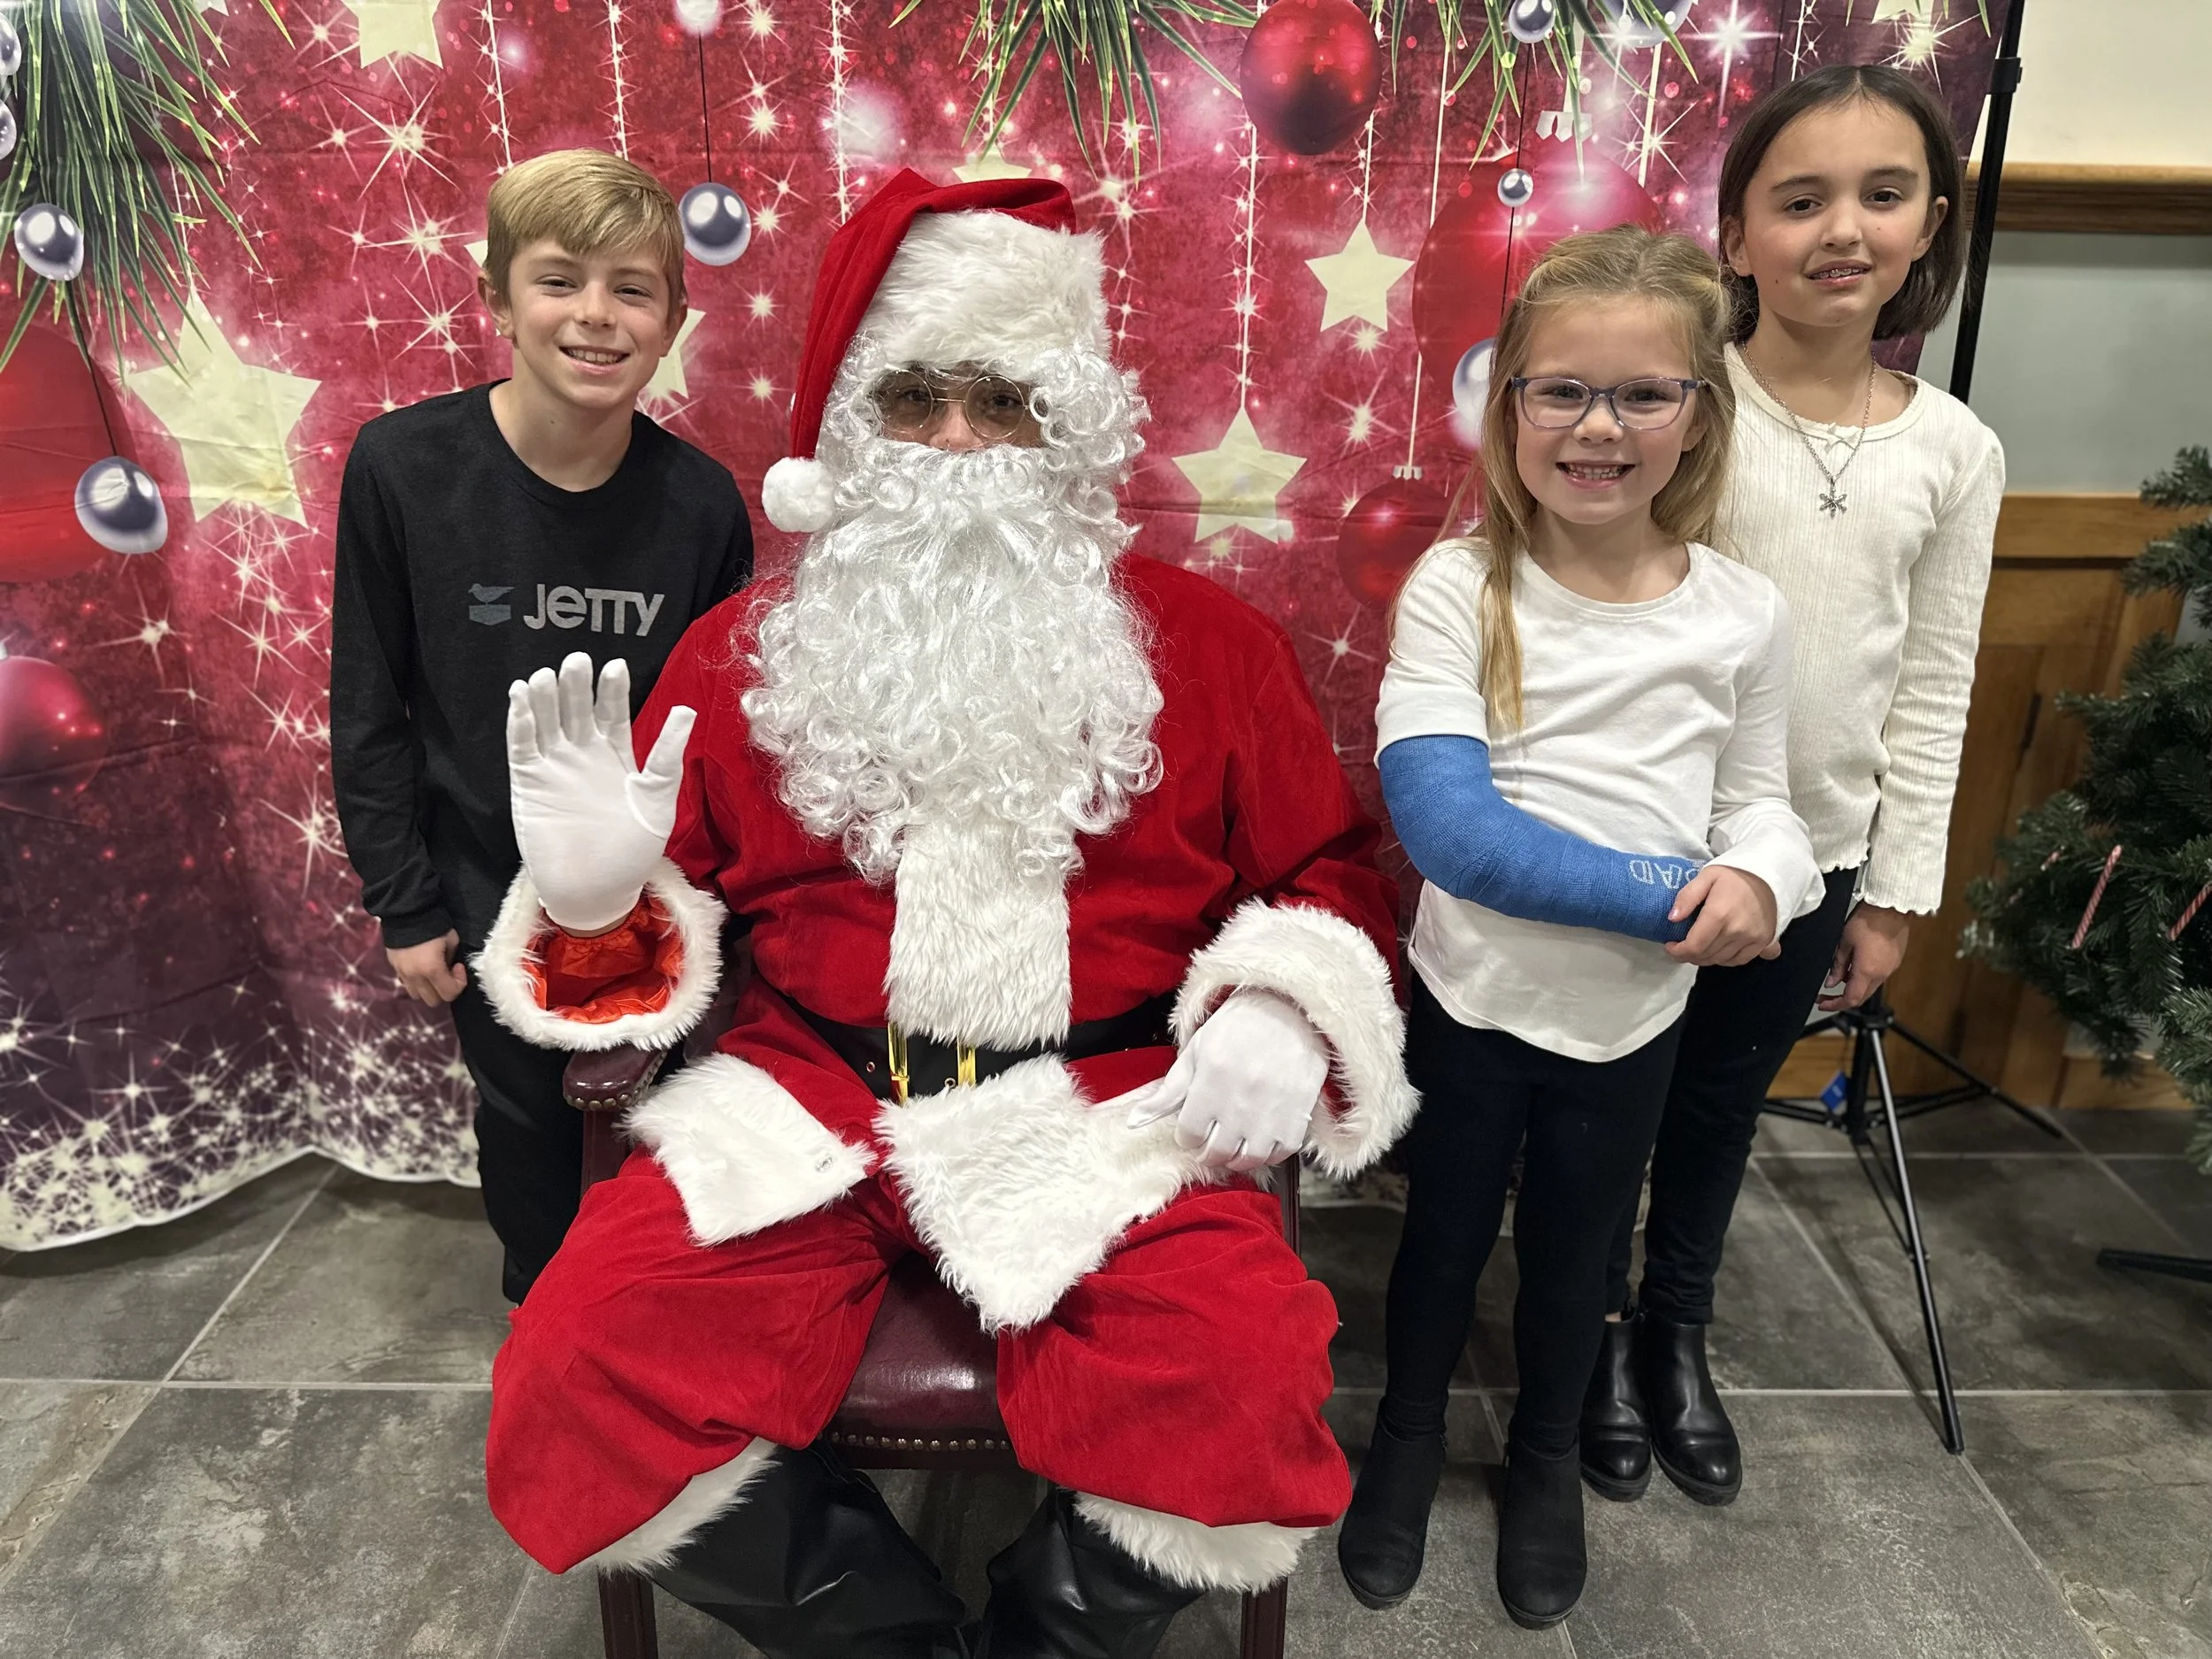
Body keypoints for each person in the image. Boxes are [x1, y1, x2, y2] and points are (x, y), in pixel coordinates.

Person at [471, 171, 1416, 1657]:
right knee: (575, 1371)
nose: (961, 442)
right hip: (807, 1100)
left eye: (1005, 401)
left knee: (1244, 1392)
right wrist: (596, 910)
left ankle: (1043, 1633)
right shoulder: (739, 656)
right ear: (855, 430)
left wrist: (1288, 997)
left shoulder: (1217, 649)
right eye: (914, 401)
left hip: (1114, 1112)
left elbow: (1331, 873)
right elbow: (640, 934)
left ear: (1068, 425)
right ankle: (889, 1636)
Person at [1337, 227, 1824, 1629]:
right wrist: (1677, 897)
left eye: (1642, 394)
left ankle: (1545, 1455)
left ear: (1699, 414)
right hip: (1474, 996)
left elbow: (1762, 804)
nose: (1598, 427)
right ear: (1510, 408)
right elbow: (1454, 832)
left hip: (1631, 1017)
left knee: (1577, 1254)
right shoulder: (1460, 586)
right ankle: (1408, 1434)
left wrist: (1764, 880)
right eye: (1561, 390)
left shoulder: (1743, 615)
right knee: (1440, 1238)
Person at [1582, 65, 2003, 1509]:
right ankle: (1588, 1326)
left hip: (1809, 856)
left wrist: (1891, 891)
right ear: (1737, 232)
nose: (1843, 230)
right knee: (1613, 1096)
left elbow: (1934, 679)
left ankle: (1674, 1329)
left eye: (1883, 196)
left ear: (1930, 223)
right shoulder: (1681, 401)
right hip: (1638, 842)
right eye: (1801, 198)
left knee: (1716, 1106)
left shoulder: (1954, 450)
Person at [330, 149, 751, 1304]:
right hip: (481, 878)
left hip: (648, 881)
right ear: (499, 299)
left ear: (672, 322)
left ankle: (647, 1308)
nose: (596, 315)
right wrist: (406, 902)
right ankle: (545, 1307)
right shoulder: (402, 468)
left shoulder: (702, 503)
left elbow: (716, 726)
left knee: (661, 1111)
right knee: (525, 1122)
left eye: (633, 289)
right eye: (560, 280)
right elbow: (369, 702)